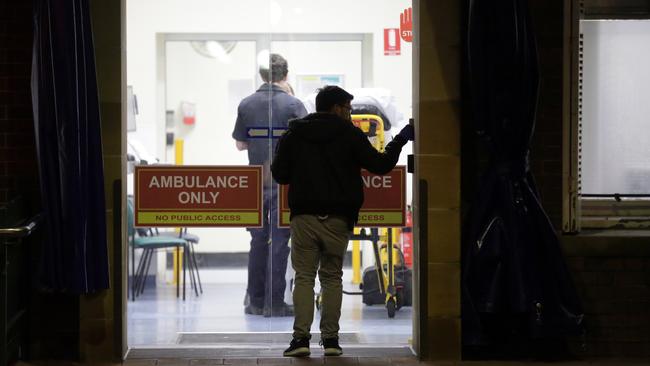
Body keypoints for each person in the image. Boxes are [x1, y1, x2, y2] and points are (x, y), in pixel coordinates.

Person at [271, 85, 414, 357]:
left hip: (304, 217)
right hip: (338, 218)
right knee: (332, 277)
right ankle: (331, 341)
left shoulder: (295, 134)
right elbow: (381, 165)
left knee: (303, 278)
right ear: (336, 108)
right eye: (347, 108)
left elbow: (280, 175)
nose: (349, 113)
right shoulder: (350, 135)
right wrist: (401, 140)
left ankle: (300, 340)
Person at [232, 53, 308, 317]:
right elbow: (306, 145)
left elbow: (241, 144)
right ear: (285, 76)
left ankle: (255, 300)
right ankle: (275, 303)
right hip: (284, 183)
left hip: (255, 181)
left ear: (262, 76)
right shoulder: (294, 105)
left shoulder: (246, 104)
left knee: (257, 240)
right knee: (279, 240)